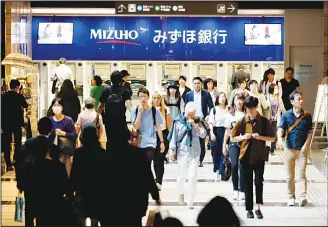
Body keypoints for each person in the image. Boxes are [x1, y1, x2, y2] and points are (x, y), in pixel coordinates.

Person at [98, 123, 161, 226]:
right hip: (134, 204)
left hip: (110, 205)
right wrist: (155, 195)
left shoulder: (105, 157)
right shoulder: (139, 154)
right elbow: (147, 177)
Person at [231, 96, 275, 219]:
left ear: (256, 107)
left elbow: (272, 138)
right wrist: (243, 137)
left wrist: (259, 137)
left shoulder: (264, 121)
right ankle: (249, 209)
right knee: (248, 183)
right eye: (247, 109)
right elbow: (232, 137)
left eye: (252, 109)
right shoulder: (242, 120)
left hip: (260, 156)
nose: (249, 111)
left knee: (259, 182)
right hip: (245, 156)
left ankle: (258, 208)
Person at [167, 101, 207, 209]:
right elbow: (174, 137)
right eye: (189, 113)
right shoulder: (178, 121)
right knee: (181, 177)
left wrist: (194, 125)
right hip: (182, 152)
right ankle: (181, 193)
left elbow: (203, 134)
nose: (191, 115)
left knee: (192, 177)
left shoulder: (198, 121)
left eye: (193, 113)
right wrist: (171, 150)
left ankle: (190, 201)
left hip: (195, 152)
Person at [15, 117, 53, 226]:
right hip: (47, 186)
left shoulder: (27, 145)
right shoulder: (52, 147)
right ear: (50, 130)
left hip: (30, 183)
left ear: (38, 128)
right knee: (45, 216)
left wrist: (20, 183)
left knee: (29, 215)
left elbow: (19, 164)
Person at [277, 90, 312, 207]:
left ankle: (302, 197)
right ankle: (291, 196)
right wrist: (279, 137)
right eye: (298, 99)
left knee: (301, 175)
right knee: (290, 176)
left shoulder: (307, 115)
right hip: (289, 149)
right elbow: (281, 128)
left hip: (302, 150)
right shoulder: (286, 115)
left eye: (302, 99)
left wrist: (305, 147)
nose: (301, 101)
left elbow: (309, 133)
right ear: (292, 102)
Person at [70, 124, 106, 225]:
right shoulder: (102, 152)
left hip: (82, 191)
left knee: (81, 218)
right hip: (98, 192)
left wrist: (71, 192)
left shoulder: (79, 153)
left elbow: (74, 173)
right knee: (95, 218)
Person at [97, 70, 132, 152]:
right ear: (121, 79)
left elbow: (100, 106)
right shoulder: (124, 90)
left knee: (110, 141)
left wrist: (97, 117)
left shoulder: (106, 90)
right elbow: (129, 105)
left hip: (109, 121)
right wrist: (135, 115)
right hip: (121, 120)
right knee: (122, 142)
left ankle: (110, 159)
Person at [185, 77, 214, 167]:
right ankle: (191, 158)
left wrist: (209, 115)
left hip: (202, 120)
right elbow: (186, 107)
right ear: (193, 84)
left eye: (198, 83)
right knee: (191, 139)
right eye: (195, 83)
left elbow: (211, 106)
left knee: (201, 141)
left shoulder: (206, 94)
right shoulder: (188, 94)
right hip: (191, 120)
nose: (197, 85)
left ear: (201, 84)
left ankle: (200, 160)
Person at [131, 88, 165, 162]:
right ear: (138, 98)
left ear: (148, 97)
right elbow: (135, 127)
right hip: (138, 142)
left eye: (145, 96)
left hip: (151, 142)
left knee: (147, 164)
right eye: (141, 96)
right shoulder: (135, 110)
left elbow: (158, 127)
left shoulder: (154, 110)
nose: (143, 98)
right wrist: (139, 113)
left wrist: (162, 142)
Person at [223, 93, 246, 201]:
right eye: (237, 100)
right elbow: (227, 131)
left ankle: (242, 190)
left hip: (244, 143)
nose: (239, 102)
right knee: (234, 165)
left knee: (242, 166)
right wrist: (224, 145)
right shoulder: (230, 114)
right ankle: (235, 189)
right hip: (233, 143)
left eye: (241, 100)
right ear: (234, 101)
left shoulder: (247, 114)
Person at [1, 79, 28, 171]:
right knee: (18, 141)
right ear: (17, 87)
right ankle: (16, 160)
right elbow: (25, 105)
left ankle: (8, 163)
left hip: (5, 123)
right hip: (17, 122)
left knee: (6, 143)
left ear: (9, 86)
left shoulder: (3, 97)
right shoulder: (19, 96)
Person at [48, 98, 78, 177]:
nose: (56, 107)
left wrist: (64, 133)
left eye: (58, 105)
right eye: (54, 105)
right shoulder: (49, 120)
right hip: (53, 151)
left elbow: (74, 135)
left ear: (62, 107)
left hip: (65, 152)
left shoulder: (68, 120)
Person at [151, 91, 172, 190]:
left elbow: (169, 126)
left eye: (157, 98)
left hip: (163, 135)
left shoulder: (165, 110)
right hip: (152, 135)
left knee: (160, 159)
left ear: (161, 99)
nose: (156, 100)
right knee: (155, 159)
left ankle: (159, 181)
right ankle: (156, 179)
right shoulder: (149, 109)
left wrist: (170, 139)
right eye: (154, 98)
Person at [208, 92, 230, 179]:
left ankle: (221, 170)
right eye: (221, 97)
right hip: (216, 130)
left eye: (224, 96)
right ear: (217, 99)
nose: (223, 98)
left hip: (226, 130)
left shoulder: (229, 109)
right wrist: (211, 133)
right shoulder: (214, 109)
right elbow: (210, 122)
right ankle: (215, 168)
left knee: (223, 151)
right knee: (215, 151)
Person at [267, 84, 286, 154]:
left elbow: (283, 109)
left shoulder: (279, 99)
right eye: (275, 88)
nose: (276, 90)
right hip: (268, 118)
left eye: (277, 88)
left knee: (274, 133)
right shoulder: (267, 97)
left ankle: (272, 147)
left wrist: (287, 115)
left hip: (276, 118)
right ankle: (268, 146)